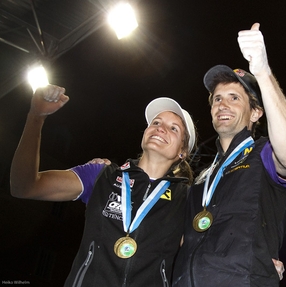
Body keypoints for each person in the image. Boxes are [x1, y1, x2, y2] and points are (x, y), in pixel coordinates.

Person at [10, 85, 197, 287]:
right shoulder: (101, 175)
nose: (160, 128)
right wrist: (36, 118)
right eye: (156, 122)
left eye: (173, 128)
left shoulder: (187, 200)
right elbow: (24, 186)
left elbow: (200, 257)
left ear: (182, 152)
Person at [172, 23, 286, 286]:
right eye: (217, 98)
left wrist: (263, 72)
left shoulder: (264, 155)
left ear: (256, 113)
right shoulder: (202, 177)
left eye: (235, 98)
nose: (223, 104)